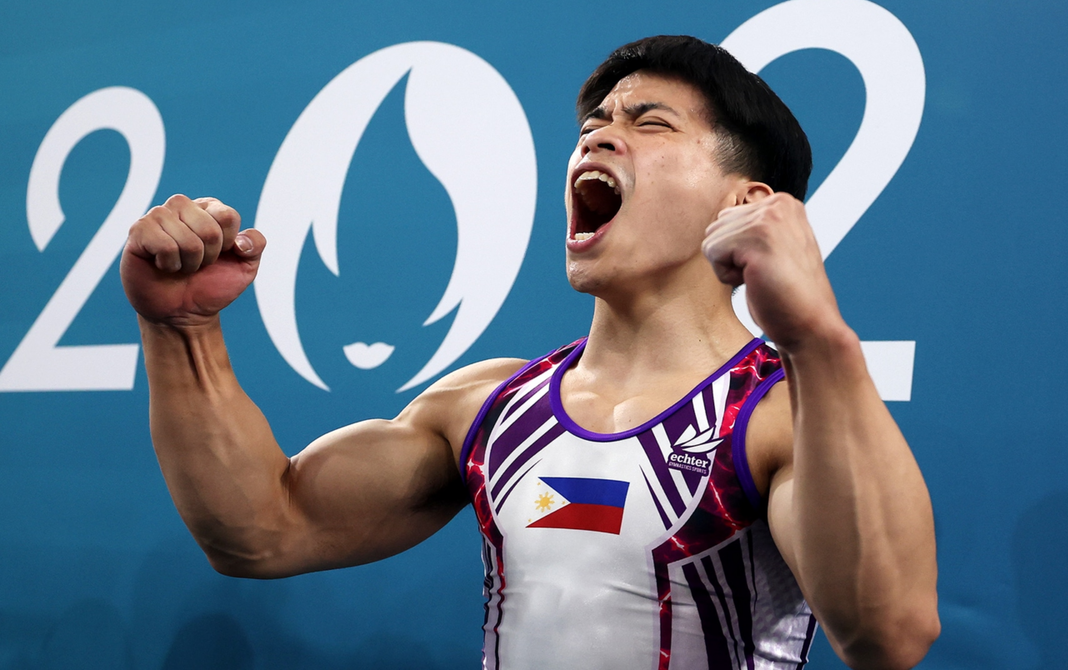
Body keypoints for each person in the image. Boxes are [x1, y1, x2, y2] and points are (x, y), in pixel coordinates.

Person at [120, 35, 939, 670]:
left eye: (648, 122)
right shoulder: (488, 406)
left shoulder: (786, 413)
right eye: (593, 126)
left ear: (748, 202)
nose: (599, 141)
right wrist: (182, 331)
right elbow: (260, 529)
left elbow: (889, 633)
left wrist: (818, 343)